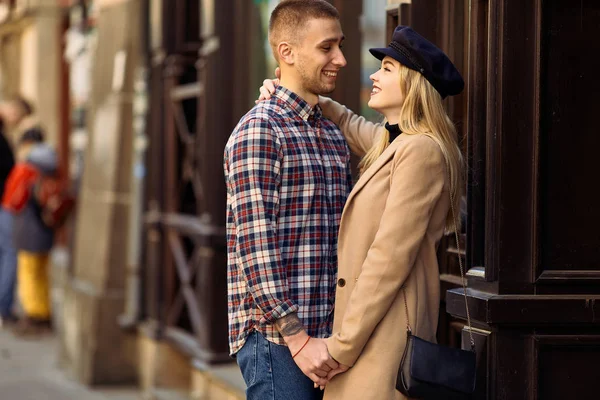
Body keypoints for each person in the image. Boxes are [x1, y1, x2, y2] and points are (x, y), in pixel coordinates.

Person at [258, 26, 465, 399]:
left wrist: (340, 347)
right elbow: (353, 126)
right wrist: (298, 94)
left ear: (414, 83)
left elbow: (389, 259)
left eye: (386, 68)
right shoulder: (395, 142)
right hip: (371, 333)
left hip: (384, 338)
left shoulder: (421, 152)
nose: (373, 74)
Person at [223, 0, 352, 399]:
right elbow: (255, 248)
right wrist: (298, 340)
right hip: (277, 343)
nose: (341, 60)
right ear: (287, 53)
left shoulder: (332, 135)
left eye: (340, 45)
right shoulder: (260, 131)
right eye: (327, 47)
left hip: (331, 342)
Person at [10, 142, 58, 335]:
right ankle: (43, 311)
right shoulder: (51, 179)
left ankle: (34, 314)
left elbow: (14, 202)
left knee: (28, 275)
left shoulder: (28, 176)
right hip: (45, 234)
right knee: (41, 275)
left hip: (29, 235)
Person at [0, 97, 34, 327]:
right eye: (16, 116)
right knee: (11, 252)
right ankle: (4, 307)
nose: (15, 121)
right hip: (4, 203)